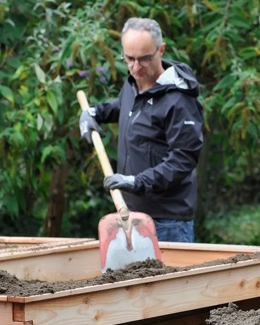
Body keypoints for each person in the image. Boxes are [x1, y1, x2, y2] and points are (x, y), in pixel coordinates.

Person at [78, 17, 204, 243]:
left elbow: (183, 160)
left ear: (161, 50)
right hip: (130, 214)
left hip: (167, 221)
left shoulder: (179, 100)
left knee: (170, 280)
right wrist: (94, 113)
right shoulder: (134, 83)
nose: (136, 68)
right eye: (129, 59)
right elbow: (127, 108)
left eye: (145, 59)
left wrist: (137, 181)